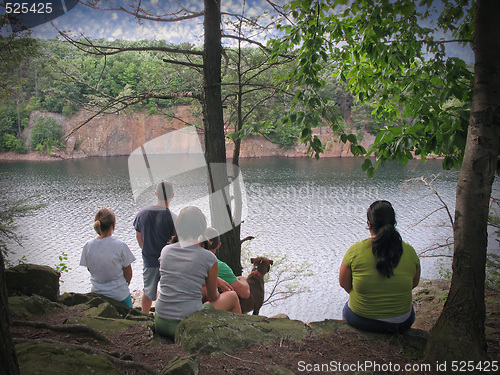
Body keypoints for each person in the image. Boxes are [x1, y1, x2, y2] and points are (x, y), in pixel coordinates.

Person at [154, 206, 241, 339]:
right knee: (233, 296)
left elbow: (178, 276)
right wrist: (216, 287)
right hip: (187, 324)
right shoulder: (208, 257)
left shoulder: (165, 251)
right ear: (201, 229)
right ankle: (239, 335)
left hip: (161, 321)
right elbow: (213, 297)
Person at [339, 200, 421, 333]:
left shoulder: (355, 251)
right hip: (401, 322)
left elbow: (344, 283)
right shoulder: (409, 251)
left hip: (362, 320)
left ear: (369, 224)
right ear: (394, 223)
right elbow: (414, 282)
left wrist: (365, 295)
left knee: (345, 309)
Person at [133, 181, 177, 313]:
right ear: (172, 195)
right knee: (168, 291)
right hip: (167, 262)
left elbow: (138, 235)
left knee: (148, 291)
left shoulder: (142, 214)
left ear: (156, 193)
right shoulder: (173, 217)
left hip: (149, 260)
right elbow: (176, 241)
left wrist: (144, 248)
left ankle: (144, 316)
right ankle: (166, 315)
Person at [80, 207, 136, 308]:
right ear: (113, 225)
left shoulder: (88, 246)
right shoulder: (120, 246)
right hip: (120, 295)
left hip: (97, 293)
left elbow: (90, 269)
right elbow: (128, 274)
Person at [200, 227, 250, 300]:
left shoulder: (191, 257)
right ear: (219, 245)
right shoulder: (219, 266)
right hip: (199, 304)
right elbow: (244, 293)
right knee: (232, 296)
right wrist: (242, 278)